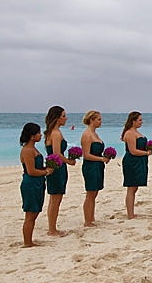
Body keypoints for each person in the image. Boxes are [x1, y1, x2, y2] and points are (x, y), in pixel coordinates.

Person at [19, 122, 54, 247]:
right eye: (38, 133)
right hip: (31, 183)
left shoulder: (33, 148)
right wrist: (46, 172)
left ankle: (29, 240)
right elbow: (31, 171)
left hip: (38, 182)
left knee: (35, 212)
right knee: (30, 214)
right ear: (31, 135)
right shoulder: (27, 150)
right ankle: (27, 242)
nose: (40, 135)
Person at [43, 105, 76, 236]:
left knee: (54, 198)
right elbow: (57, 153)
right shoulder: (56, 133)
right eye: (63, 116)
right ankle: (52, 229)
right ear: (57, 119)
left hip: (57, 167)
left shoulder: (51, 132)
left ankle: (52, 227)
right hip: (58, 168)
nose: (66, 118)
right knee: (55, 199)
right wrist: (69, 161)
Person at [81, 110, 113, 227]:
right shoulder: (87, 135)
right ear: (91, 121)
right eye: (98, 119)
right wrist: (101, 159)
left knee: (95, 192)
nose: (101, 121)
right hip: (90, 166)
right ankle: (87, 221)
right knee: (90, 192)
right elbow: (86, 154)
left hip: (98, 165)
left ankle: (91, 217)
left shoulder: (95, 134)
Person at [121, 111, 152, 219]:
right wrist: (146, 153)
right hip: (132, 162)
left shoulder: (137, 132)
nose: (141, 122)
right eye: (139, 120)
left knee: (135, 188)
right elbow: (133, 150)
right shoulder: (130, 133)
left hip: (140, 161)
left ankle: (132, 212)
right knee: (131, 187)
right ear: (133, 121)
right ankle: (130, 214)